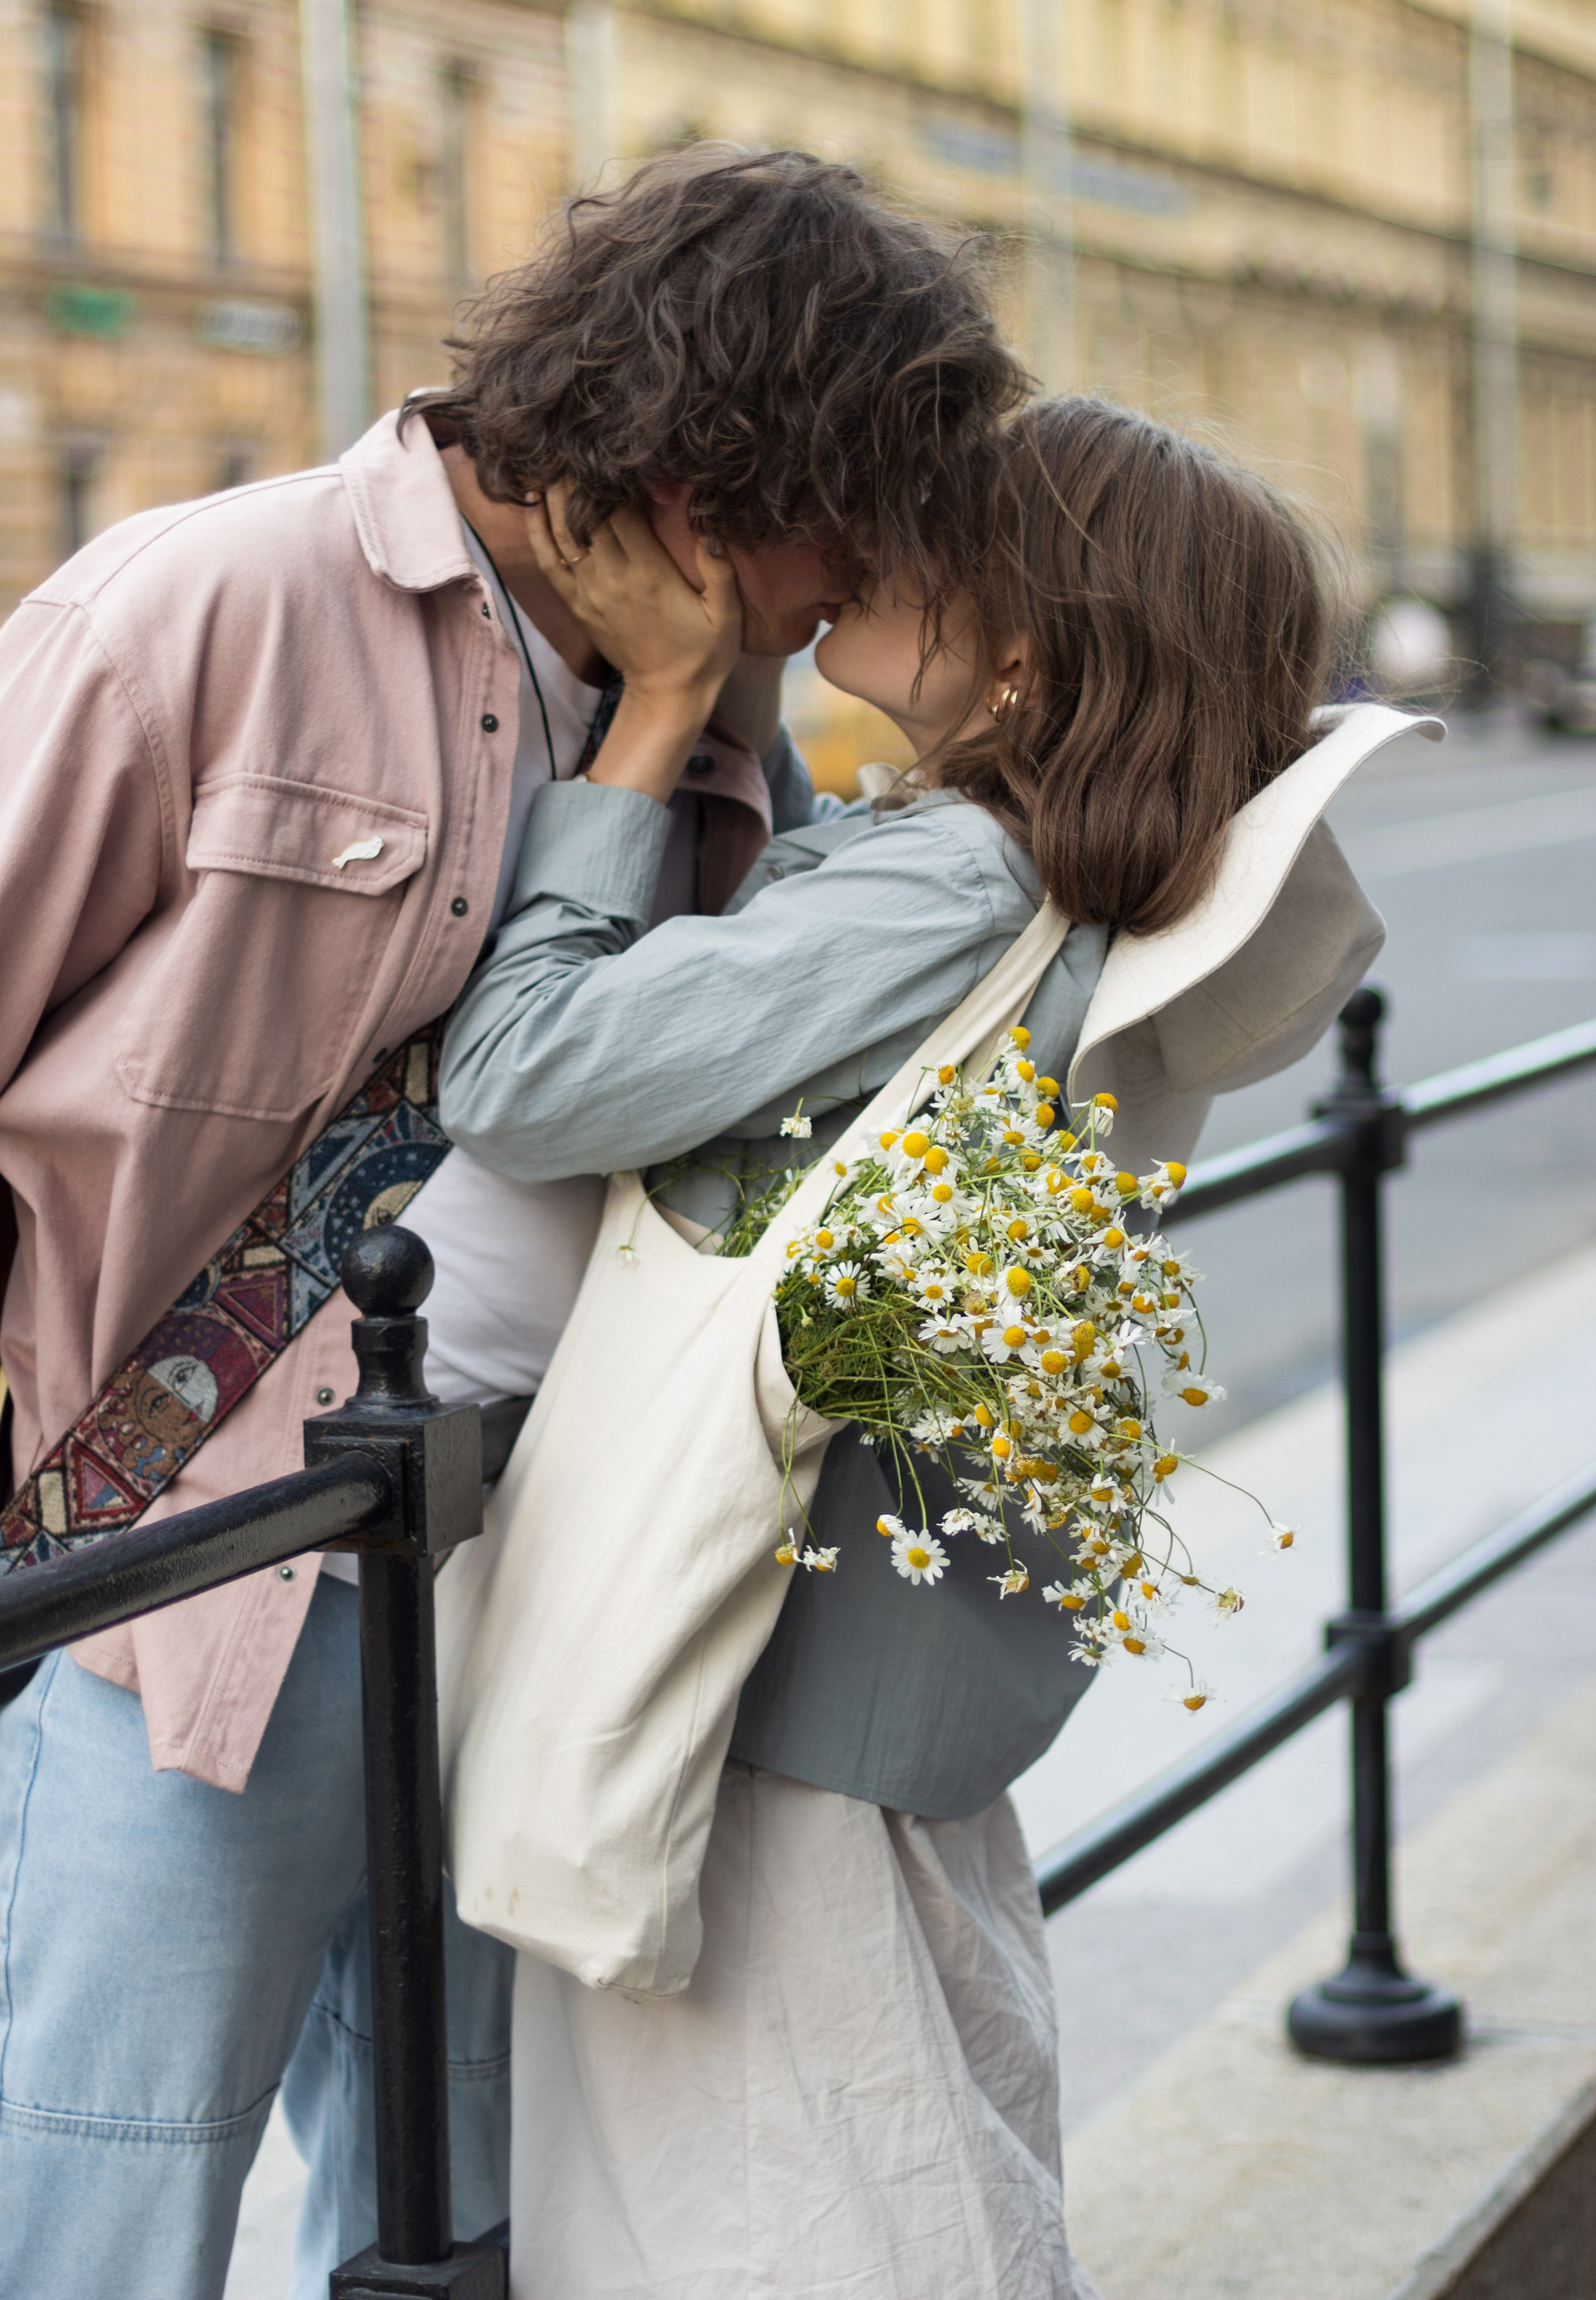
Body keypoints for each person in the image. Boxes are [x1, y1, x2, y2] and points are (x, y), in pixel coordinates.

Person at [0, 146, 1026, 2300]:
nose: (863, 589)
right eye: (861, 514)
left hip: (531, 1574)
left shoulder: (735, 733)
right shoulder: (213, 604)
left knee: (464, 2188)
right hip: (183, 1577)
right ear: (726, 466)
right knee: (112, 2177)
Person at [435, 395, 1406, 2298]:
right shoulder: (1056, 878)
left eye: (923, 535)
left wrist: (647, 720)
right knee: (902, 2143)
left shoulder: (954, 877)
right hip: (886, 1673)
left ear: (1026, 652)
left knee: (790, 2202)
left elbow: (523, 1072)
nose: (860, 544)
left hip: (763, 1668)